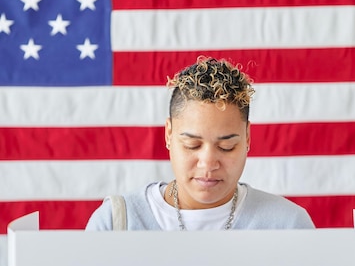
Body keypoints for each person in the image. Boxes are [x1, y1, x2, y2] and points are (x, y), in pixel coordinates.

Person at [86, 56, 314, 231]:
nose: (208, 164)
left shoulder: (288, 225)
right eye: (192, 145)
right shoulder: (116, 222)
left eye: (226, 147)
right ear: (168, 134)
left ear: (247, 138)